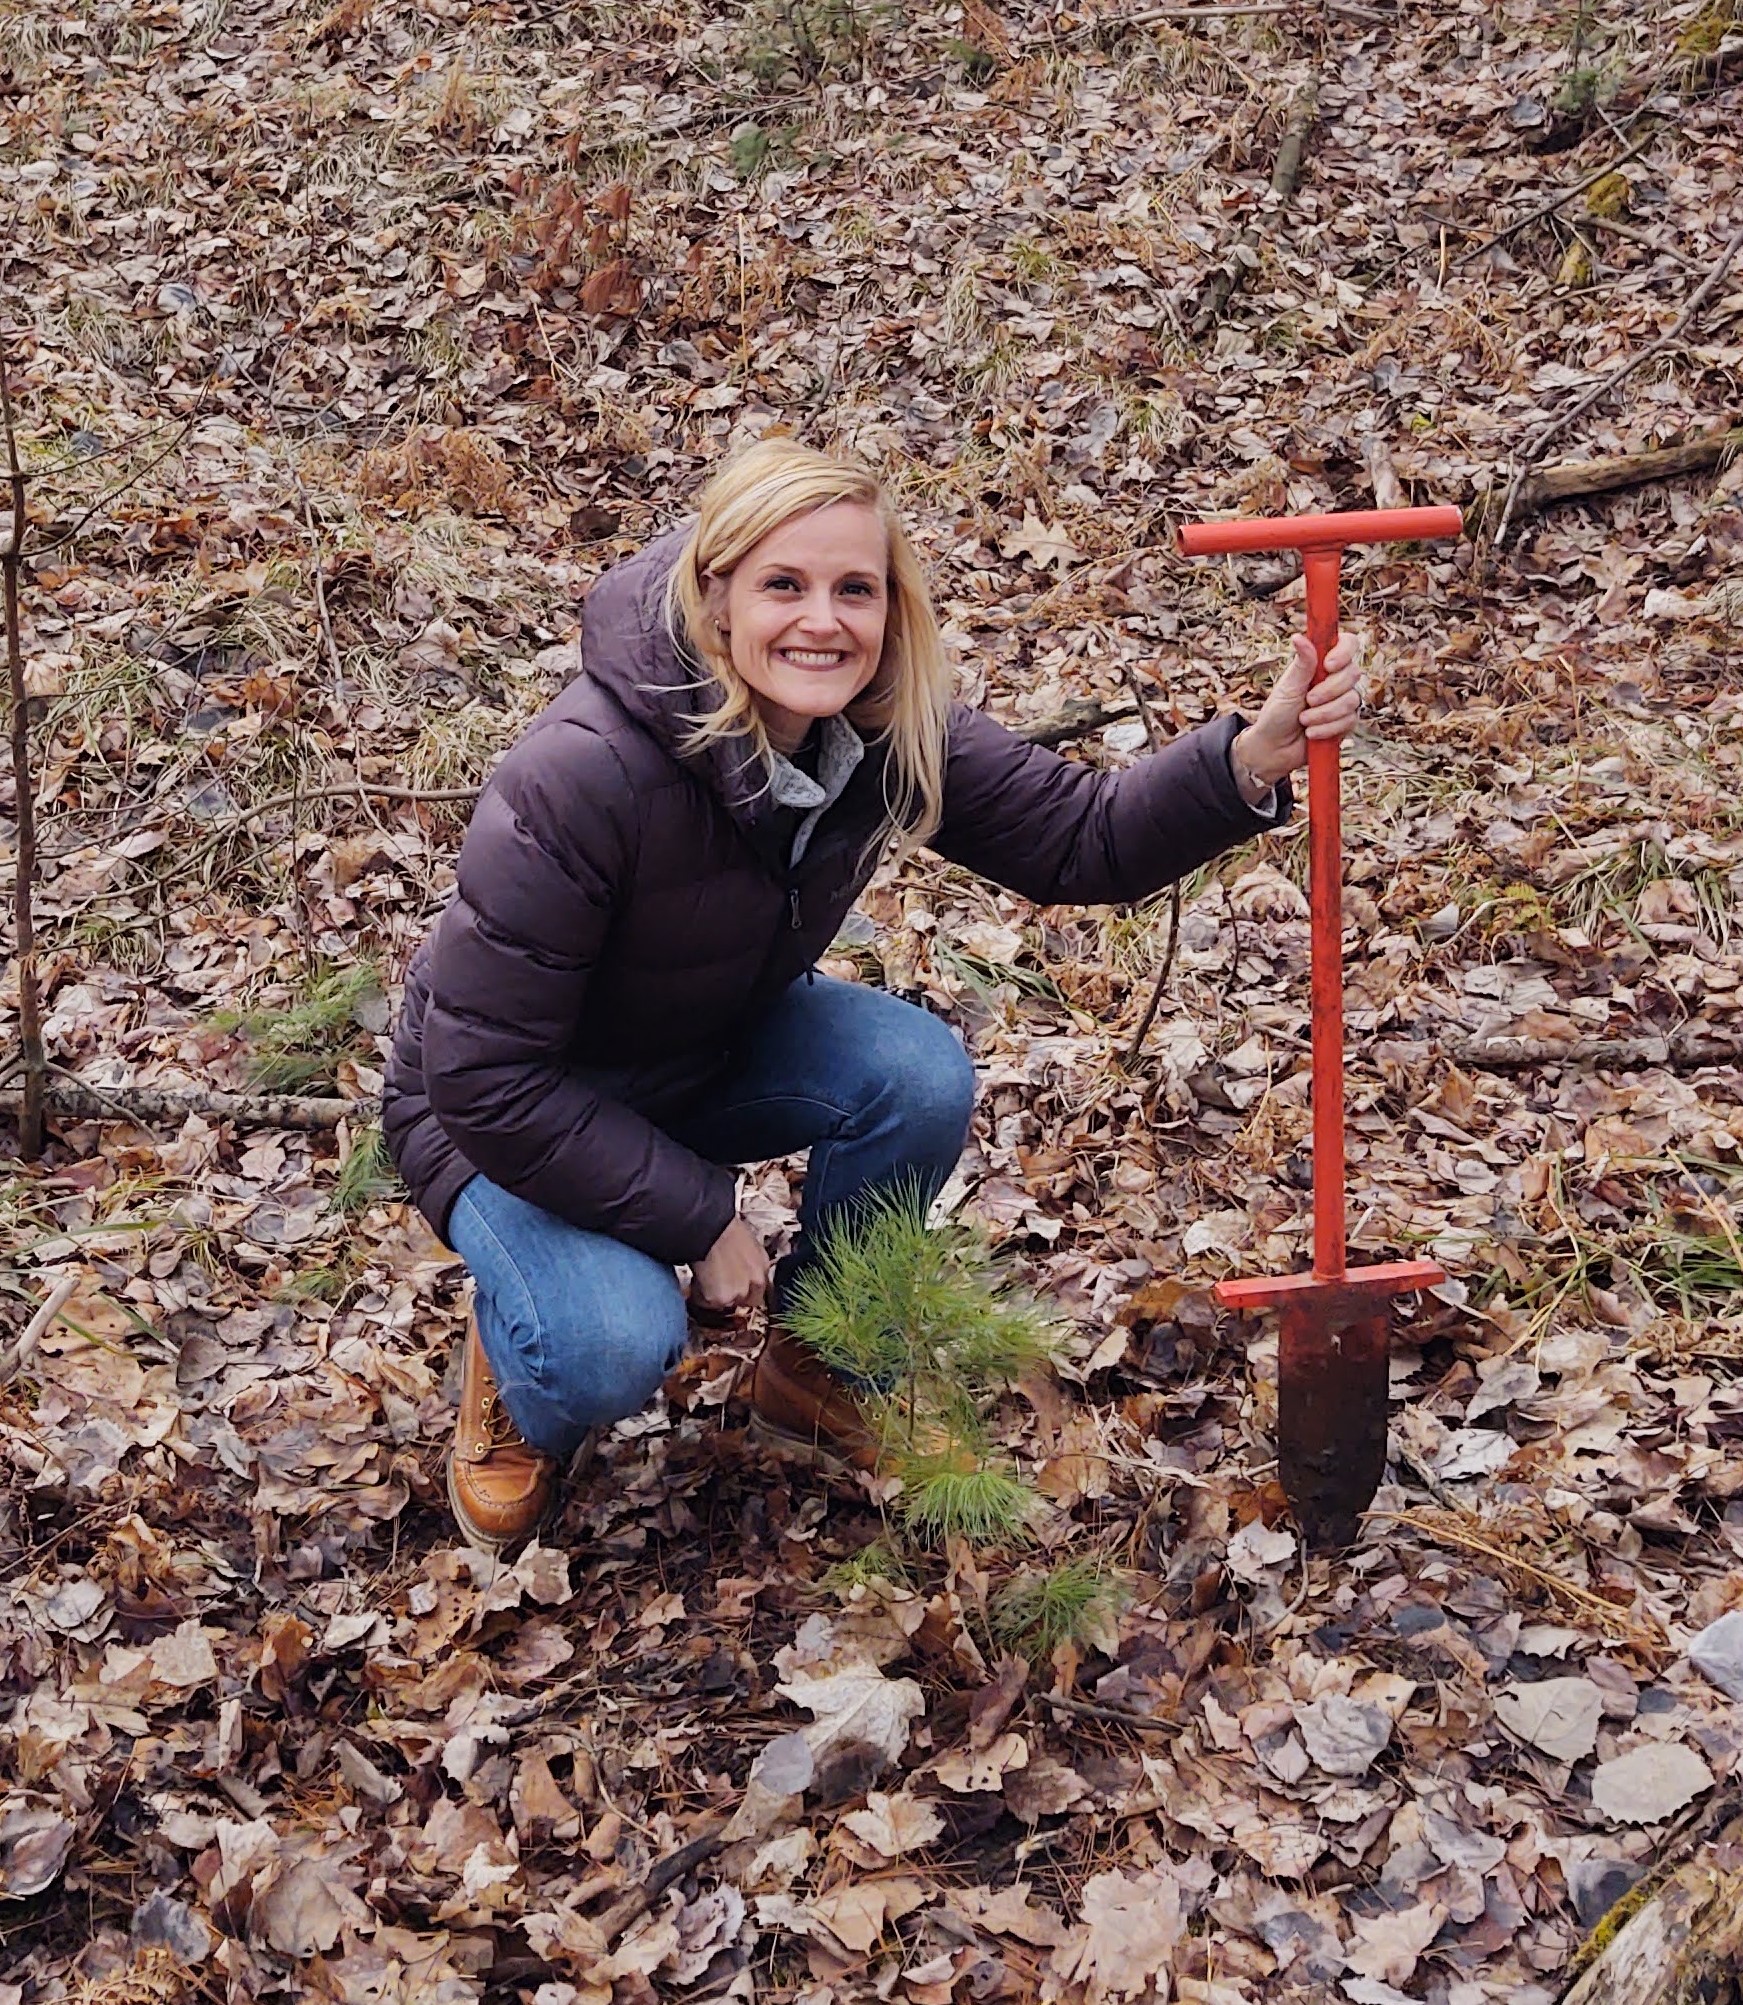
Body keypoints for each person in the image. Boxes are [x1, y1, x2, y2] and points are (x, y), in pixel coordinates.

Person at [382, 441, 1362, 1547]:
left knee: (914, 1075)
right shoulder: (583, 772)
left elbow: (1082, 841)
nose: (823, 621)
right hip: (500, 1110)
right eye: (784, 585)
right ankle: (518, 1369)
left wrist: (1250, 759)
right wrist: (700, 1216)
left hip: (695, 1048)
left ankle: (817, 1365)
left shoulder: (881, 724)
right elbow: (483, 1072)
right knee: (607, 1344)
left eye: (856, 589)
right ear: (716, 594)